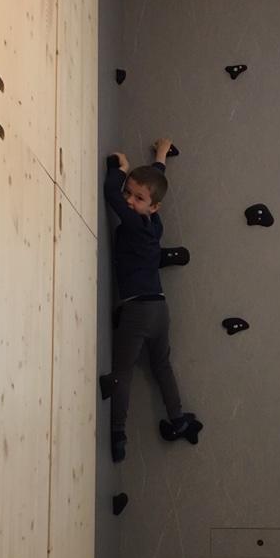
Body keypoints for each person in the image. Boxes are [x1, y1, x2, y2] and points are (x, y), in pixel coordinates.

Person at [102, 138, 201, 463]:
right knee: (161, 365)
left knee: (123, 370)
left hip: (138, 310)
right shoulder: (154, 225)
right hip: (160, 308)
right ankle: (179, 419)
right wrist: (160, 156)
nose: (130, 201)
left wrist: (121, 170)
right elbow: (155, 183)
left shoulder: (133, 222)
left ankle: (118, 434)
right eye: (129, 193)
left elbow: (110, 193)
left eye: (138, 198)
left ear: (153, 206)